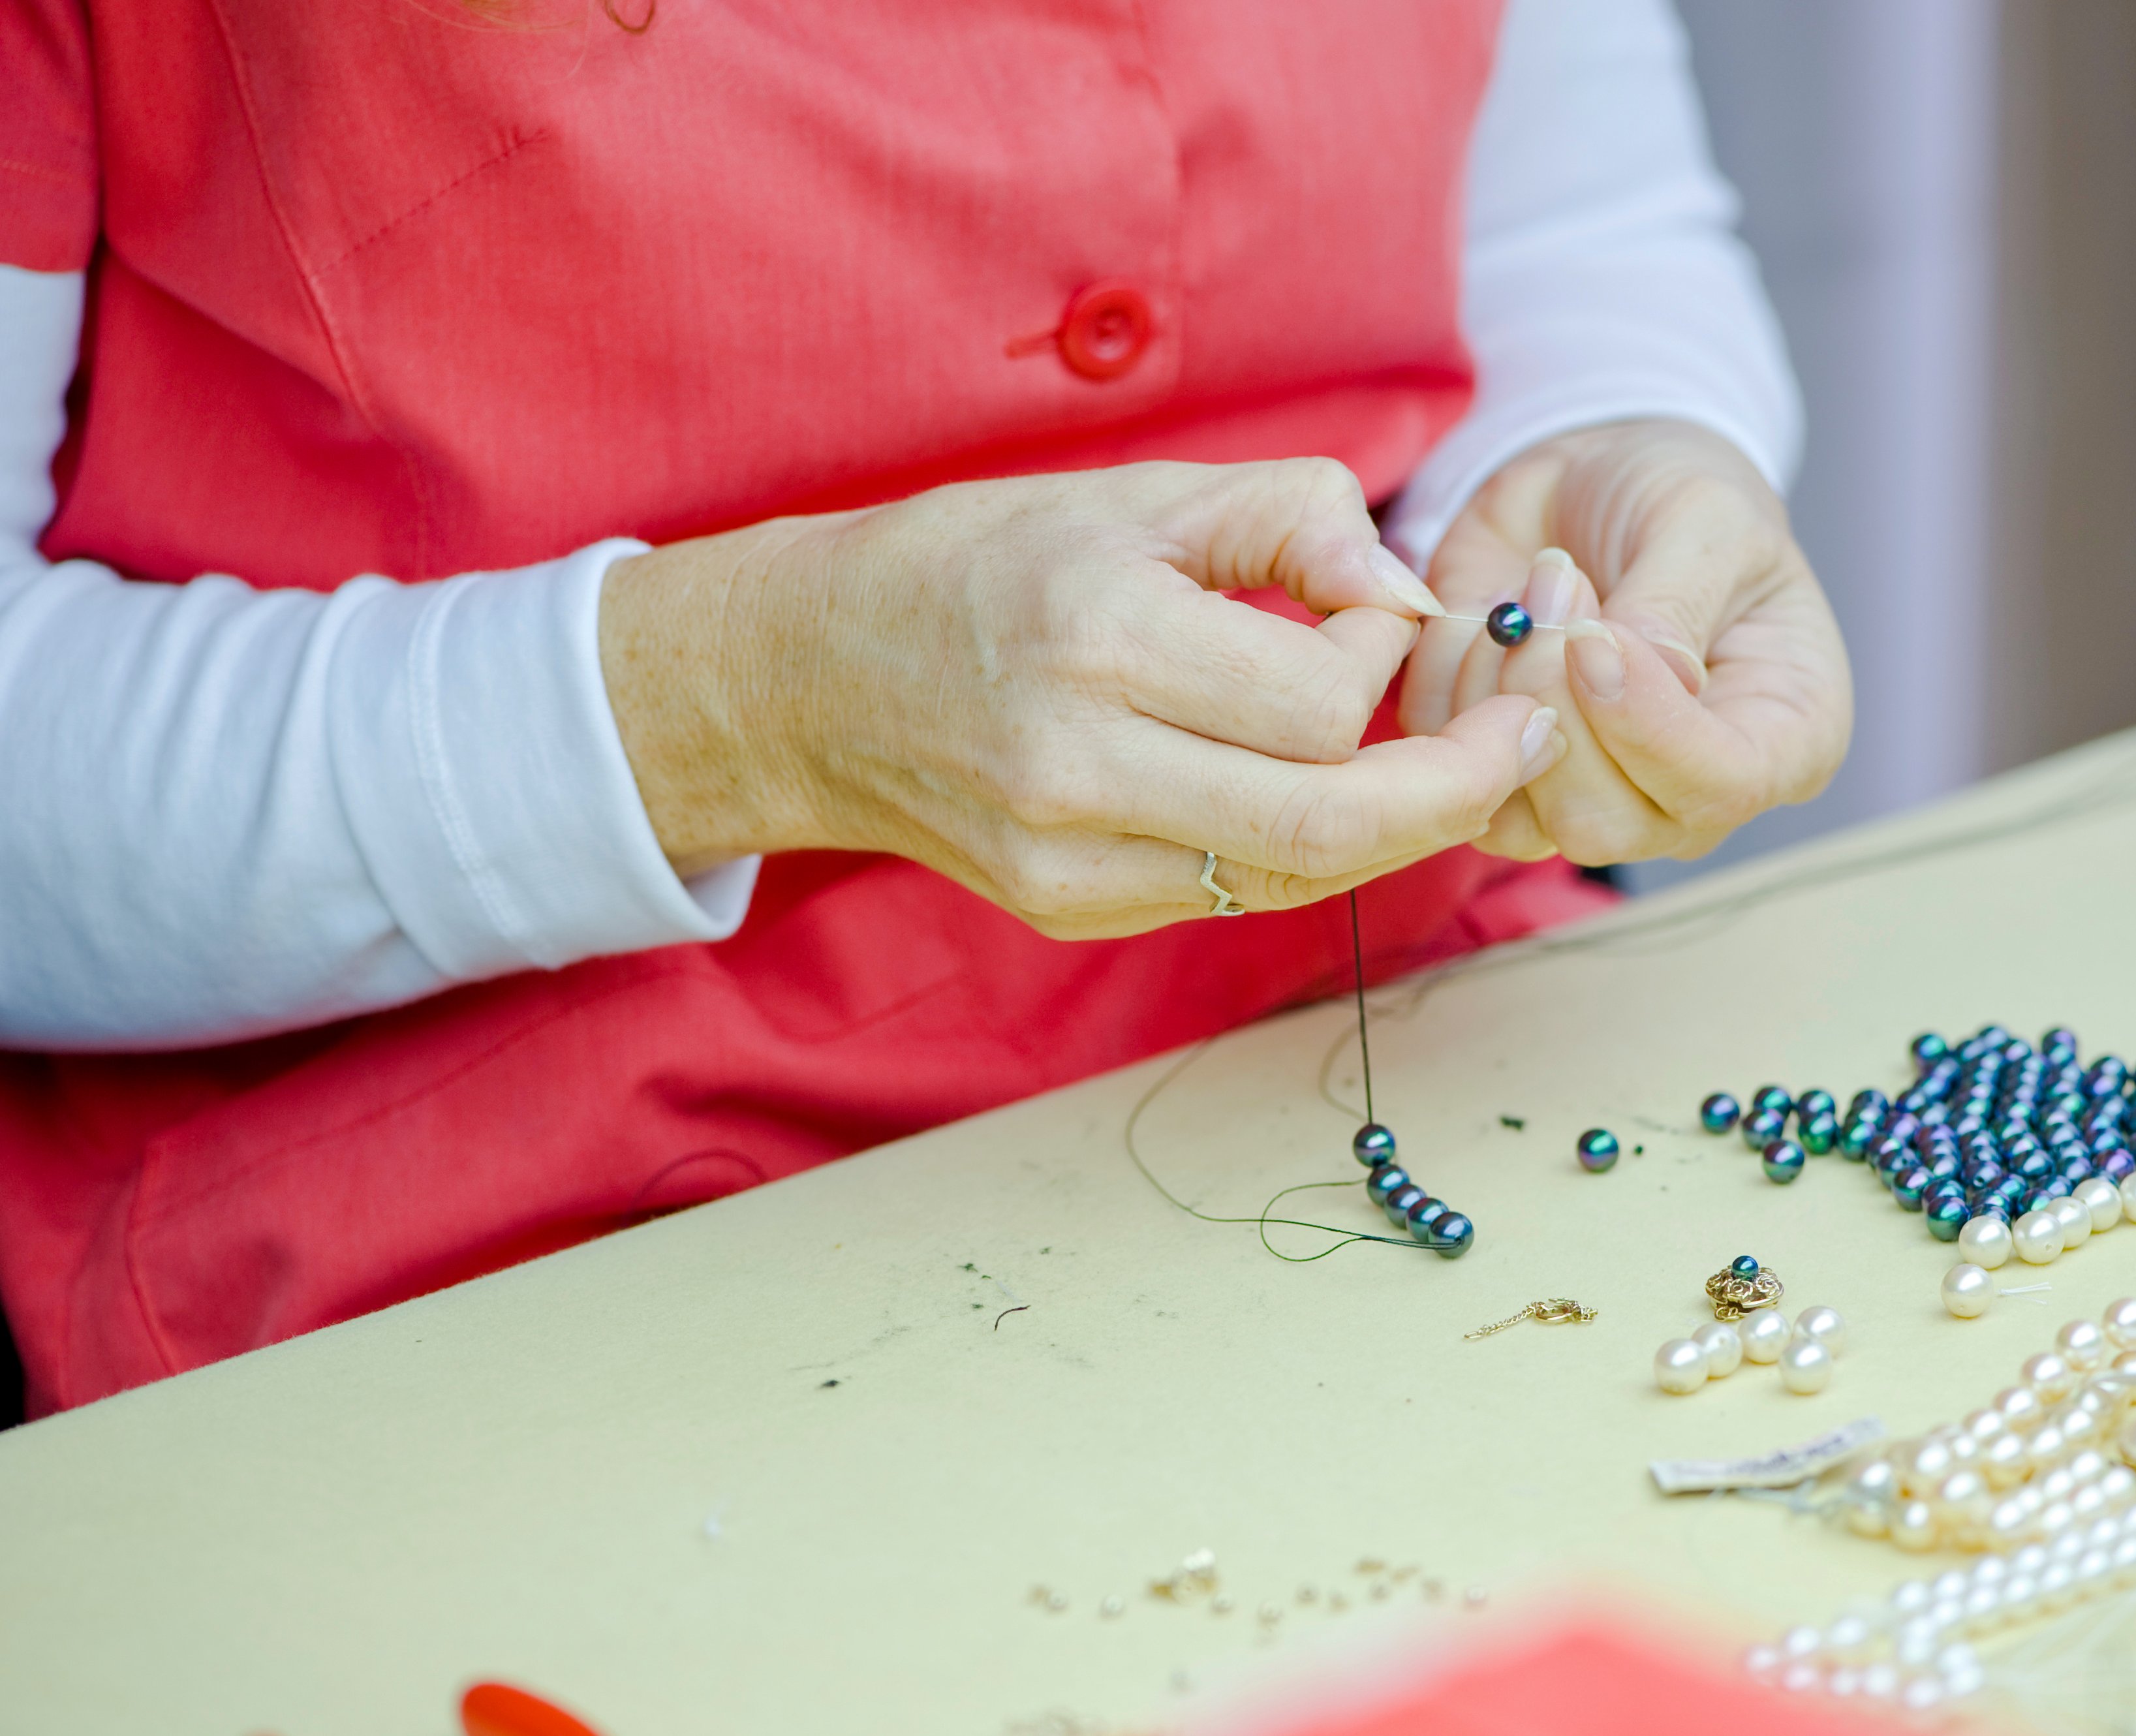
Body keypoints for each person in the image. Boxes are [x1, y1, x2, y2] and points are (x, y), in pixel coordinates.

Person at [0, 0, 1851, 1417]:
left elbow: (1574, 214)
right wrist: (737, 705)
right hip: (450, 1293)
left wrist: (1615, 459)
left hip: (1414, 1056)